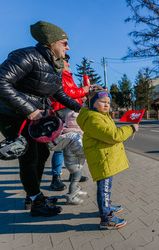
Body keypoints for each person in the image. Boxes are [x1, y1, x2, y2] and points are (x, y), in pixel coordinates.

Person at [0, 21, 82, 217]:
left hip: (32, 115)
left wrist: (84, 111)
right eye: (64, 43)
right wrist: (29, 110)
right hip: (10, 113)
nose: (67, 47)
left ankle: (33, 194)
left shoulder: (54, 65)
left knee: (42, 154)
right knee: (29, 155)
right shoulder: (27, 56)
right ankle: (36, 201)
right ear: (50, 42)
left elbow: (60, 94)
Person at [76, 90, 139, 230]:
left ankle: (107, 207)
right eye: (103, 101)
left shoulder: (101, 116)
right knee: (104, 188)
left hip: (105, 158)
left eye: (109, 103)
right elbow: (112, 136)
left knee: (106, 186)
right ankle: (106, 218)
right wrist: (130, 129)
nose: (106, 105)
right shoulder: (94, 118)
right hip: (102, 159)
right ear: (93, 103)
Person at [50, 54, 91, 191]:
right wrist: (82, 91)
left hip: (70, 110)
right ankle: (56, 178)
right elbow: (64, 93)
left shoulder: (67, 75)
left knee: (73, 143)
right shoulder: (59, 73)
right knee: (63, 143)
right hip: (63, 110)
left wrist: (81, 97)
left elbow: (70, 93)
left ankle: (74, 174)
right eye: (67, 62)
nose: (68, 65)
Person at [48, 111, 87, 205]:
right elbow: (79, 150)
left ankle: (76, 190)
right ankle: (71, 196)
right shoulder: (76, 136)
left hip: (70, 162)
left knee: (75, 178)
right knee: (75, 179)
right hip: (76, 163)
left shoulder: (66, 133)